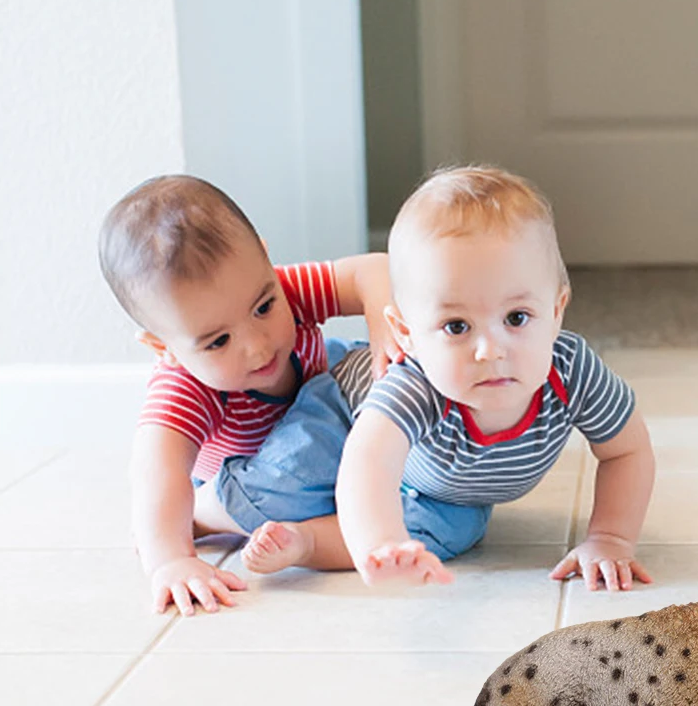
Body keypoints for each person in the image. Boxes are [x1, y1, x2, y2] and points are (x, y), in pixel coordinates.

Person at [233, 165, 656, 592]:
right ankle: (209, 509)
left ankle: (307, 541)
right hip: (341, 412)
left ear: (556, 311)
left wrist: (610, 539)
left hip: (445, 488)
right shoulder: (416, 385)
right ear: (406, 334)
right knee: (287, 482)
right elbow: (369, 463)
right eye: (457, 326)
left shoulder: (572, 372)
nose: (490, 350)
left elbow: (627, 451)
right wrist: (379, 540)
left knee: (443, 534)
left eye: (516, 318)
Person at [98, 174, 397, 615]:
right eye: (218, 341)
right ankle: (206, 514)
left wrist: (384, 329)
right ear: (164, 347)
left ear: (265, 258)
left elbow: (372, 270)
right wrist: (171, 560)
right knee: (317, 501)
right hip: (262, 470)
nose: (258, 346)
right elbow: (154, 469)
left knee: (373, 375)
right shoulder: (184, 387)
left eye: (263, 308)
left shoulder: (281, 289)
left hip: (321, 417)